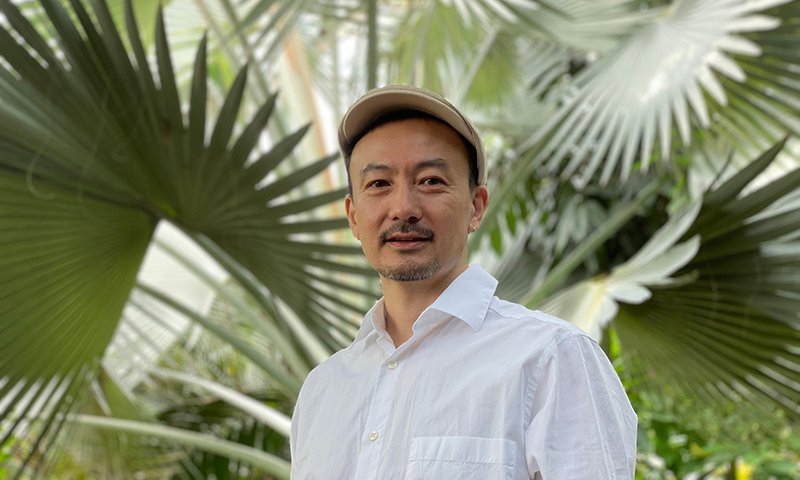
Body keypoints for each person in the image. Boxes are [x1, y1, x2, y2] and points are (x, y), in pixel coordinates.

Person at [290, 85, 637, 479]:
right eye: (379, 184)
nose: (403, 208)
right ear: (353, 217)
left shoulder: (551, 360)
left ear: (476, 207)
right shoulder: (323, 391)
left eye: (431, 181)